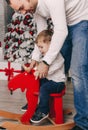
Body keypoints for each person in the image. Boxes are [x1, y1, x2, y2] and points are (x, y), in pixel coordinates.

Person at [5, 0, 88, 129]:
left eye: (21, 7)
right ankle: (44, 104)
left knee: (78, 71)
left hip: (82, 19)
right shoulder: (34, 7)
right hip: (65, 23)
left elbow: (61, 31)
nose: (23, 13)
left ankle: (83, 124)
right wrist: (35, 59)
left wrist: (45, 62)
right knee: (54, 68)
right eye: (18, 11)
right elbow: (41, 35)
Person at [23, 29, 66, 123]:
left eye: (41, 47)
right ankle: (32, 104)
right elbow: (39, 68)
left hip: (58, 83)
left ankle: (43, 110)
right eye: (38, 47)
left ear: (51, 44)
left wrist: (37, 71)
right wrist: (32, 69)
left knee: (44, 88)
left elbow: (47, 71)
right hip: (49, 80)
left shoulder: (58, 57)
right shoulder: (44, 57)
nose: (40, 49)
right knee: (36, 83)